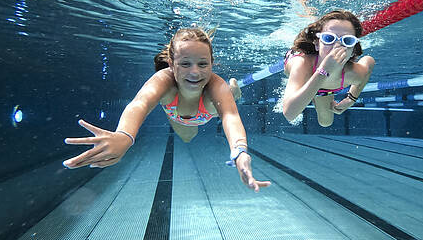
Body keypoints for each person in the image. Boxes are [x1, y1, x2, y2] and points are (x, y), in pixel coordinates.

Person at [63, 27, 270, 192]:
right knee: (188, 137)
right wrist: (124, 135)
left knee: (224, 98)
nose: (195, 72)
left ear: (212, 63)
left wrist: (240, 151)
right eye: (185, 64)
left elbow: (230, 116)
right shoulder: (164, 80)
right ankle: (224, 95)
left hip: (208, 110)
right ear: (171, 63)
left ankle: (233, 90)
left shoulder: (215, 85)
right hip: (177, 116)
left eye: (203, 64)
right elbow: (140, 103)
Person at [282, 10, 375, 126]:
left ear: (353, 50)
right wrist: (324, 70)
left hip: (325, 88)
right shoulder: (301, 64)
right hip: (306, 71)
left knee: (325, 122)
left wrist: (351, 98)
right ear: (317, 43)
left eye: (347, 40)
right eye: (328, 38)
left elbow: (369, 62)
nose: (336, 46)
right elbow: (289, 114)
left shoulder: (353, 73)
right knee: (299, 94)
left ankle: (312, 95)